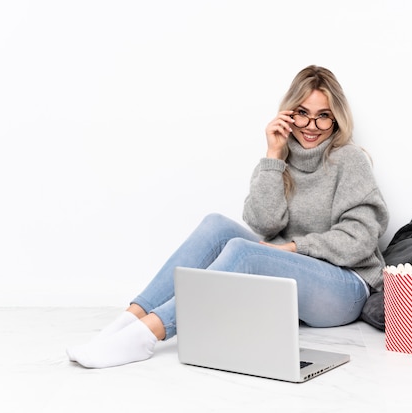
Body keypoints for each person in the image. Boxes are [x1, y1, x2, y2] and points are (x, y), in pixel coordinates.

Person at [66, 65, 389, 369]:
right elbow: (264, 224)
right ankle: (127, 321)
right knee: (216, 226)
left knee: (243, 251)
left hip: (346, 287)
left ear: (337, 120)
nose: (310, 126)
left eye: (323, 117)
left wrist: (289, 249)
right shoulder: (281, 158)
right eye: (302, 113)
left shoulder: (348, 159)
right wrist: (274, 156)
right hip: (296, 283)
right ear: (288, 113)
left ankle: (147, 335)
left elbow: (359, 240)